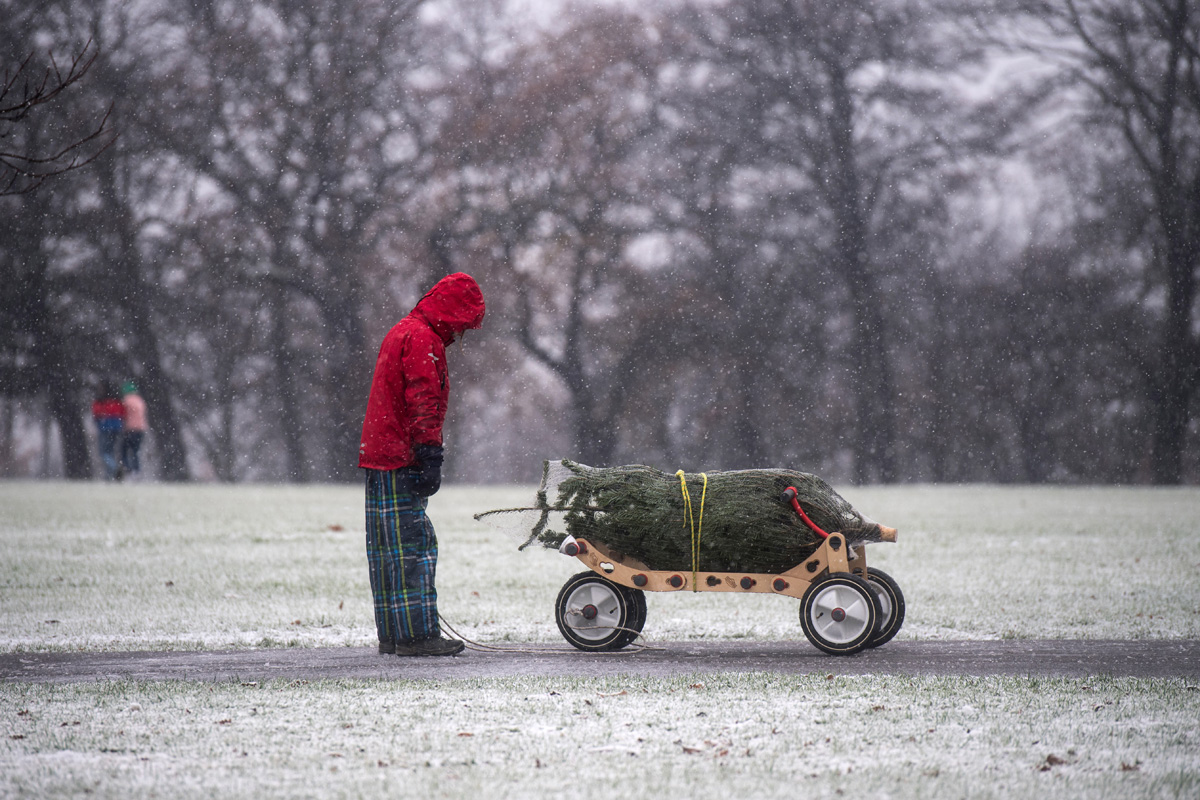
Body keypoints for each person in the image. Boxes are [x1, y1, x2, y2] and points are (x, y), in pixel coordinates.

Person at [359, 273, 485, 657]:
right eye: (463, 326)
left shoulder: (402, 330)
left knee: (386, 549)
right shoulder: (423, 340)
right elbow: (422, 399)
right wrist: (429, 453)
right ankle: (417, 636)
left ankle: (393, 633)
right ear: (453, 312)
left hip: (379, 453)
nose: (460, 336)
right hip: (402, 454)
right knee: (414, 545)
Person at [91, 381, 125, 480]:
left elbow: (96, 414)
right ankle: (109, 475)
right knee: (111, 451)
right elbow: (122, 414)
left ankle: (113, 469)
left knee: (104, 453)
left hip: (105, 428)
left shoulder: (101, 401)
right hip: (117, 428)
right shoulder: (117, 401)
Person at [120, 381, 148, 478]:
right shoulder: (140, 401)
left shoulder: (126, 401)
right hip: (141, 429)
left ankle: (128, 470)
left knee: (124, 450)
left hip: (130, 428)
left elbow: (123, 414)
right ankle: (137, 471)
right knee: (136, 451)